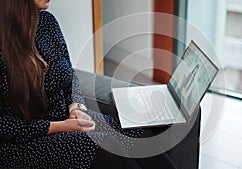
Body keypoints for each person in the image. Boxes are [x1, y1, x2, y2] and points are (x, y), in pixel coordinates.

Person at [0, 0, 178, 168]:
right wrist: (58, 127)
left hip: (65, 118)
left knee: (137, 135)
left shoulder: (48, 22)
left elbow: (69, 75)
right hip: (23, 142)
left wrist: (76, 107)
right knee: (103, 143)